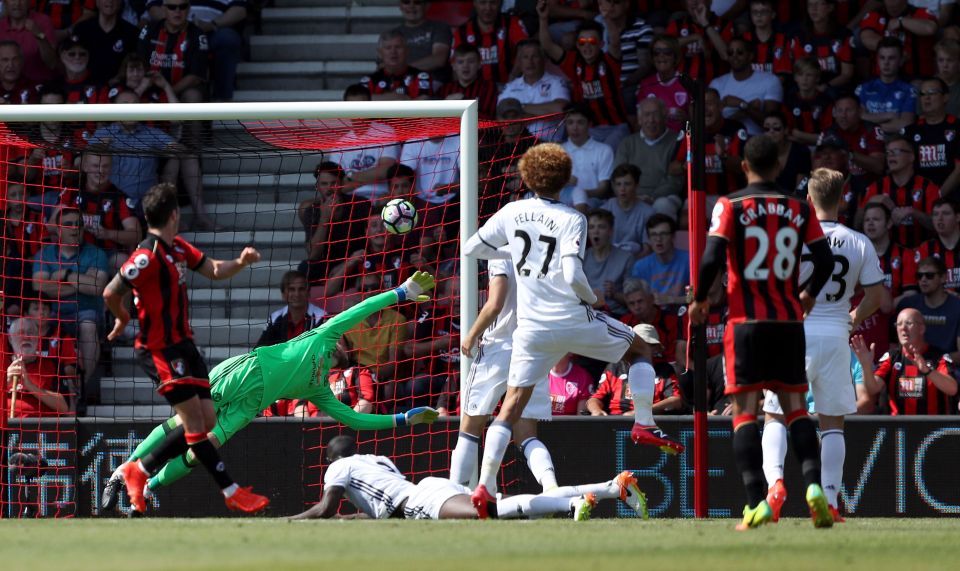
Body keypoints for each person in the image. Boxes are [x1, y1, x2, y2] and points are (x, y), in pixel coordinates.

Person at [463, 142, 683, 518]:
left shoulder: (511, 211)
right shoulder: (572, 217)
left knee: (511, 406)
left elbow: (472, 249)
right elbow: (571, 273)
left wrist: (514, 254)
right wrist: (591, 297)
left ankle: (483, 486)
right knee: (639, 350)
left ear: (526, 176)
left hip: (530, 330)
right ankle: (644, 423)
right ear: (565, 179)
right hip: (571, 318)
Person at [101, 272, 443, 514]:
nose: (341, 339)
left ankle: (147, 488)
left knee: (202, 448)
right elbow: (361, 309)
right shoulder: (322, 334)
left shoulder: (319, 388)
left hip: (252, 405)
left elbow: (355, 419)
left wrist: (401, 419)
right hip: (246, 372)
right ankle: (125, 471)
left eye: (345, 342)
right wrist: (400, 293)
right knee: (186, 422)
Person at [688, 134, 836, 530]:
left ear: (744, 166)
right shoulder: (799, 206)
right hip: (788, 322)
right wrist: (806, 295)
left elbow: (711, 257)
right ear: (778, 165)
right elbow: (825, 260)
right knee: (797, 410)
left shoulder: (731, 204)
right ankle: (814, 488)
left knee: (745, 415)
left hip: (746, 325)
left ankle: (756, 503)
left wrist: (700, 299)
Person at [101, 183, 268, 515]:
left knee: (205, 422)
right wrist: (121, 321)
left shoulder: (177, 249)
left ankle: (139, 469)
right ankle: (231, 490)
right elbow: (110, 292)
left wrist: (240, 261)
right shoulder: (145, 257)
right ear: (174, 214)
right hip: (160, 349)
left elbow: (215, 270)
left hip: (185, 346)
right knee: (193, 423)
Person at [759, 167, 886, 524]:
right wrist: (853, 317)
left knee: (775, 415)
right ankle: (829, 501)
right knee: (832, 423)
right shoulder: (858, 240)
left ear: (809, 199)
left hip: (793, 331)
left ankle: (776, 485)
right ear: (841, 198)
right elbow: (877, 295)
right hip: (834, 333)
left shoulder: (791, 236)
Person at [288, 435, 648, 521]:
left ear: (331, 458)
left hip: (421, 501)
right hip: (427, 488)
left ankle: (573, 504)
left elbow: (323, 509)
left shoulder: (338, 466)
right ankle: (612, 487)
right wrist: (354, 519)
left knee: (492, 511)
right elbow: (381, 507)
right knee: (498, 506)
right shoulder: (376, 459)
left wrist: (289, 520)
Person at [454, 257, 559, 492]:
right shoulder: (543, 251)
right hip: (534, 347)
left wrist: (471, 334)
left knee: (470, 429)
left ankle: (455, 493)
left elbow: (495, 304)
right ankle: (552, 489)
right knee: (527, 437)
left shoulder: (501, 252)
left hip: (499, 348)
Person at [31, 207, 109, 402]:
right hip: (51, 312)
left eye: (79, 224)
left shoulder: (97, 254)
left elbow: (97, 287)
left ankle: (80, 387)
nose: (75, 228)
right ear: (58, 229)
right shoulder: (44, 254)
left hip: (85, 312)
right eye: (69, 224)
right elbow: (39, 286)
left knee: (89, 327)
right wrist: (78, 284)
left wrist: (64, 276)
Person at [539, 5, 630, 151]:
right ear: (577, 45)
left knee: (604, 154)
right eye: (582, 42)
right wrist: (543, 19)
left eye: (592, 41)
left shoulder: (610, 61)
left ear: (601, 44)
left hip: (616, 127)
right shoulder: (573, 62)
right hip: (589, 130)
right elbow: (548, 46)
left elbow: (615, 42)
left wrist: (606, 17)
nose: (587, 46)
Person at [146, 0, 247, 102]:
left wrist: (212, 24)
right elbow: (153, 7)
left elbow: (240, 9)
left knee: (228, 38)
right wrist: (177, 22)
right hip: (172, 28)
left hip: (211, 29)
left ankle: (222, 98)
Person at [866, 308, 958, 415]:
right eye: (899, 324)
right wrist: (865, 366)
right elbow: (873, 389)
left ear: (922, 329)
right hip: (899, 429)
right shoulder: (892, 357)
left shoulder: (938, 357)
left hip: (934, 429)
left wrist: (927, 371)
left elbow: (953, 389)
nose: (903, 328)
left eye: (908, 323)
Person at [859, 135, 939, 248]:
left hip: (922, 255)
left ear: (911, 157)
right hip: (883, 257)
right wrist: (872, 201)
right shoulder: (876, 188)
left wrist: (914, 212)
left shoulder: (928, 187)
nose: (890, 155)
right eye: (888, 152)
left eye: (896, 151)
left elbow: (937, 225)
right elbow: (857, 225)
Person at [615, 97, 683, 218]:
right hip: (632, 195)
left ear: (664, 117)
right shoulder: (627, 143)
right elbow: (617, 176)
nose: (651, 120)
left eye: (655, 115)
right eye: (646, 115)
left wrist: (652, 197)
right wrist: (633, 196)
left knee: (663, 205)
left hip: (664, 196)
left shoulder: (677, 141)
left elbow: (675, 181)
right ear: (640, 120)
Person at [497, 40, 570, 142]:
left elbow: (560, 109)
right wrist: (545, 112)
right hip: (518, 146)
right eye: (525, 57)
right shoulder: (510, 87)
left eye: (534, 56)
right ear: (519, 62)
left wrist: (520, 108)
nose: (530, 62)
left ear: (543, 59)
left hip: (550, 146)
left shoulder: (556, 82)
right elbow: (503, 119)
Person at [708, 36, 783, 136]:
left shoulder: (770, 80)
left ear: (750, 55)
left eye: (740, 52)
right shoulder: (716, 83)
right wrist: (747, 110)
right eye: (730, 53)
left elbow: (771, 125)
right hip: (726, 141)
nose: (734, 56)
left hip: (757, 142)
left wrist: (742, 105)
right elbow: (709, 122)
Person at [5, 316, 73, 418]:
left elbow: (64, 407)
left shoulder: (53, 364)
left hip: (41, 428)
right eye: (20, 333)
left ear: (38, 337)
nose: (26, 337)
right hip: (5, 427)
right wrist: (4, 382)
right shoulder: (2, 363)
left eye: (31, 333)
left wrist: (30, 386)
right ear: (10, 338)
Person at [903, 77, 960, 195]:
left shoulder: (957, 127)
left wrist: (938, 196)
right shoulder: (911, 131)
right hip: (918, 196)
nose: (926, 98)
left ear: (945, 97)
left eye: (932, 93)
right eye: (923, 94)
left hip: (953, 196)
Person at [451, 0, 529, 86]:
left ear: (499, 3)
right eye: (483, 3)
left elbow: (525, 49)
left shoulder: (511, 23)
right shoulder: (462, 32)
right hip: (475, 89)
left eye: (493, 2)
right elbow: (455, 65)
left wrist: (512, 79)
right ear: (475, 3)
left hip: (507, 87)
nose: (488, 8)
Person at [897, 256, 960, 361]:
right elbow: (896, 346)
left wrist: (934, 362)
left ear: (943, 278)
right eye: (919, 276)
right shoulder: (908, 305)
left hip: (947, 368)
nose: (923, 279)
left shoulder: (957, 307)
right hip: (913, 364)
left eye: (929, 275)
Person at [855, 37, 917, 136]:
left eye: (891, 58)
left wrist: (870, 120)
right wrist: (890, 115)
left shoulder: (909, 90)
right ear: (877, 60)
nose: (886, 63)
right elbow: (858, 117)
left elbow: (906, 124)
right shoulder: (864, 88)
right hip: (868, 142)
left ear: (901, 61)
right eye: (882, 57)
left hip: (897, 141)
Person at [859, 0, 937, 78]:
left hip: (918, 78)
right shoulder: (875, 15)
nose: (892, 4)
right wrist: (897, 52)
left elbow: (930, 28)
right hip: (882, 80)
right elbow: (867, 39)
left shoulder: (920, 12)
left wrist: (901, 21)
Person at [559, 104, 614, 211]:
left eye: (580, 122)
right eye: (570, 122)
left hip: (594, 202)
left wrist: (580, 194)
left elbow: (603, 189)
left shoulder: (604, 150)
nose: (575, 128)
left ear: (589, 124)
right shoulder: (557, 152)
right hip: (563, 202)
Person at [586, 356, 682, 416]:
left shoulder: (664, 369)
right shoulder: (615, 367)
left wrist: (642, 411)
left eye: (647, 345)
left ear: (655, 348)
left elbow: (676, 400)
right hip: (615, 421)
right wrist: (596, 410)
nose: (640, 350)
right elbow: (595, 398)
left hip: (651, 421)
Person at [72, 0, 139, 85]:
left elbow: (133, 62)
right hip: (85, 86)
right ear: (96, 2)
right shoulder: (81, 29)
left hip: (119, 88)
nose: (110, 1)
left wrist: (118, 79)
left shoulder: (132, 32)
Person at [254, 270, 326, 349]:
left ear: (308, 293)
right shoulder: (275, 318)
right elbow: (259, 349)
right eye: (291, 289)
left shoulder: (322, 318)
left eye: (301, 289)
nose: (297, 294)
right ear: (283, 295)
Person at [630, 214, 690, 308]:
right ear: (649, 239)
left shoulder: (688, 261)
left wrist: (671, 300)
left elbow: (695, 296)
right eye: (654, 234)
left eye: (663, 234)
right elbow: (635, 301)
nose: (658, 239)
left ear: (673, 236)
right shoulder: (640, 267)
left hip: (682, 313)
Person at [583, 208, 634, 316]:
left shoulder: (626, 258)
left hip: (616, 316)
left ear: (610, 231)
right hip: (588, 315)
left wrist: (615, 294)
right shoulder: (582, 258)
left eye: (601, 227)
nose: (595, 231)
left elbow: (635, 300)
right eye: (591, 227)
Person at [360, 30, 435, 100]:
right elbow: (359, 101)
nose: (393, 51)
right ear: (380, 53)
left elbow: (423, 104)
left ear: (407, 51)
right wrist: (398, 98)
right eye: (388, 48)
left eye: (398, 47)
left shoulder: (421, 77)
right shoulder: (369, 81)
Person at [636, 35, 688, 133]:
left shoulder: (687, 83)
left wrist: (686, 121)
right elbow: (638, 126)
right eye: (656, 52)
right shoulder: (645, 84)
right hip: (654, 143)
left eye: (667, 52)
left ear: (675, 56)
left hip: (682, 142)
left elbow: (695, 128)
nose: (661, 56)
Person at [598, 164, 653, 255]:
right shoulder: (604, 210)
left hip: (635, 261)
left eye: (627, 184)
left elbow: (647, 249)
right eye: (618, 184)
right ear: (613, 186)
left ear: (636, 186)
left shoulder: (648, 213)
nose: (622, 189)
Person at [0, 0, 58, 83]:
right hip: (8, 87)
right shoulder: (0, 26)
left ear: (29, 2)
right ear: (5, 3)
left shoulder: (43, 21)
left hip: (39, 85)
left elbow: (52, 63)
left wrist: (39, 35)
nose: (17, 3)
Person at [390, 0, 451, 77]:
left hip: (432, 82)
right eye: (406, 2)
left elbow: (439, 59)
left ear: (427, 6)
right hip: (400, 82)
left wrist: (404, 69)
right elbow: (383, 65)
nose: (411, 6)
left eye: (417, 2)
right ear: (400, 6)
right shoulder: (392, 34)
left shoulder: (439, 28)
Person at [439, 44, 496, 119]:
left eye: (471, 61)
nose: (465, 65)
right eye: (460, 62)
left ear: (479, 64)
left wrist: (464, 103)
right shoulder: (444, 89)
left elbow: (490, 121)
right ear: (454, 66)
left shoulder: (489, 88)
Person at [763, 111, 811, 194]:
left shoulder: (800, 151)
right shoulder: (760, 153)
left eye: (776, 128)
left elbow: (800, 189)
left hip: (794, 201)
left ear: (786, 130)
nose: (771, 132)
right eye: (767, 129)